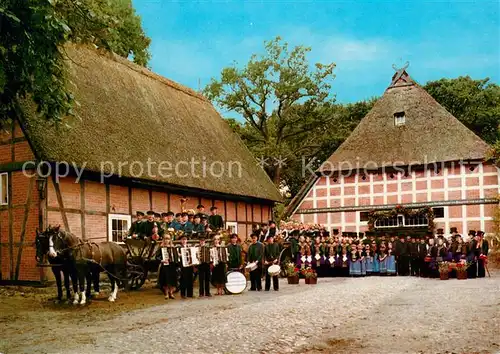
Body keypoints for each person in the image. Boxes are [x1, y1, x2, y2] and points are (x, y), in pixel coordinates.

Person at [158, 235, 179, 299]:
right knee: (165, 280)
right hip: (165, 265)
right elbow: (157, 257)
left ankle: (171, 293)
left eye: (168, 239)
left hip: (172, 265)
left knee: (172, 280)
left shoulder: (173, 248)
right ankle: (166, 294)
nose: (167, 240)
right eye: (166, 239)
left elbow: (176, 256)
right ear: (164, 240)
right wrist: (161, 260)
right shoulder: (161, 248)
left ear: (170, 240)